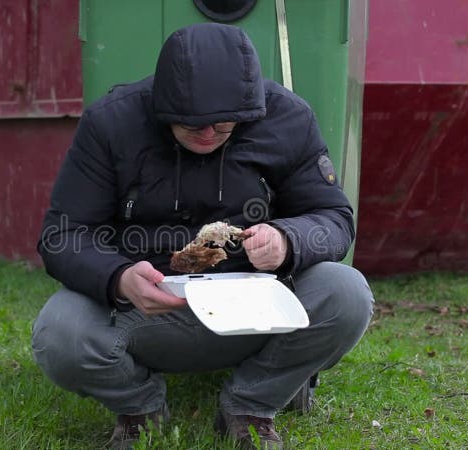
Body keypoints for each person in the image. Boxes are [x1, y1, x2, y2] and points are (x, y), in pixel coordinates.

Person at [32, 23, 374, 450]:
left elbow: (334, 217)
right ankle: (140, 408)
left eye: (224, 123)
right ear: (162, 104)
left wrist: (288, 239)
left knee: (347, 293)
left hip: (256, 303)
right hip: (146, 306)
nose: (208, 134)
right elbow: (63, 235)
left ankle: (252, 403)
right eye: (192, 124)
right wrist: (118, 277)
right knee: (59, 333)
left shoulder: (289, 118)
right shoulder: (111, 122)